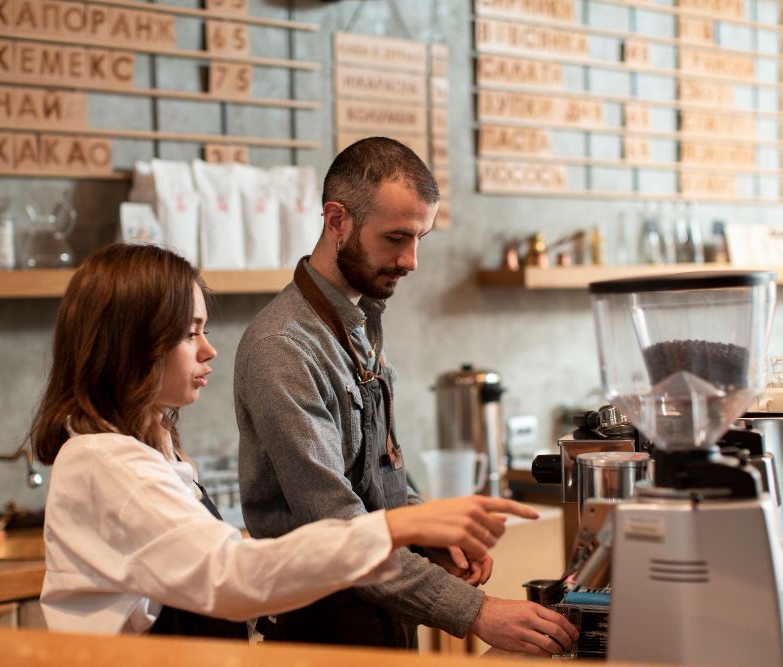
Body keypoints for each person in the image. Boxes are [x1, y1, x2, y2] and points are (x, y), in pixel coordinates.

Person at [30, 242, 540, 638]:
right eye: (189, 333)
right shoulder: (107, 466)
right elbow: (232, 576)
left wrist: (410, 529)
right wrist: (397, 527)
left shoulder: (148, 449)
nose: (209, 351)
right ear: (130, 346)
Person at [235, 137, 577, 656]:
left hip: (382, 615)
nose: (412, 260)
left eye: (420, 238)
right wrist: (478, 612)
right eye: (396, 237)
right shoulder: (282, 348)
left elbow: (381, 474)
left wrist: (427, 535)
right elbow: (338, 532)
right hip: (319, 632)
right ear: (337, 220)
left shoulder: (361, 322)